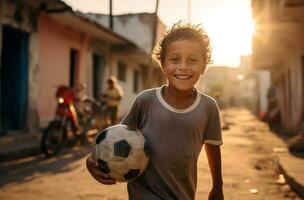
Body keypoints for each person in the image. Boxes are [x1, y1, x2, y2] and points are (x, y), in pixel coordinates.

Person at [86, 22, 224, 200]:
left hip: (182, 193)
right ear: (163, 64)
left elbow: (213, 147)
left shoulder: (208, 107)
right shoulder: (146, 100)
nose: (183, 67)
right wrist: (91, 162)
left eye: (193, 60)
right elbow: (115, 139)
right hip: (143, 192)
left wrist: (218, 186)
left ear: (204, 66)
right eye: (175, 59)